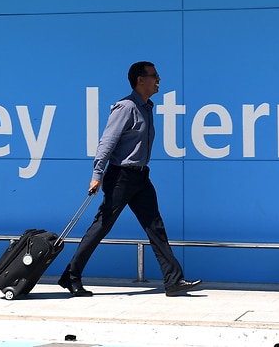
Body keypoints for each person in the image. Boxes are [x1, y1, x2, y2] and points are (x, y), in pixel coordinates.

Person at [58, 61, 202, 297]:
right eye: (154, 75)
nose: (159, 79)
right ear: (140, 80)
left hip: (141, 176)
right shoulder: (126, 107)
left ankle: (174, 280)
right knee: (101, 226)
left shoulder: (147, 107)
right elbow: (107, 141)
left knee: (155, 227)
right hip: (121, 177)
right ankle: (71, 275)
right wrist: (97, 174)